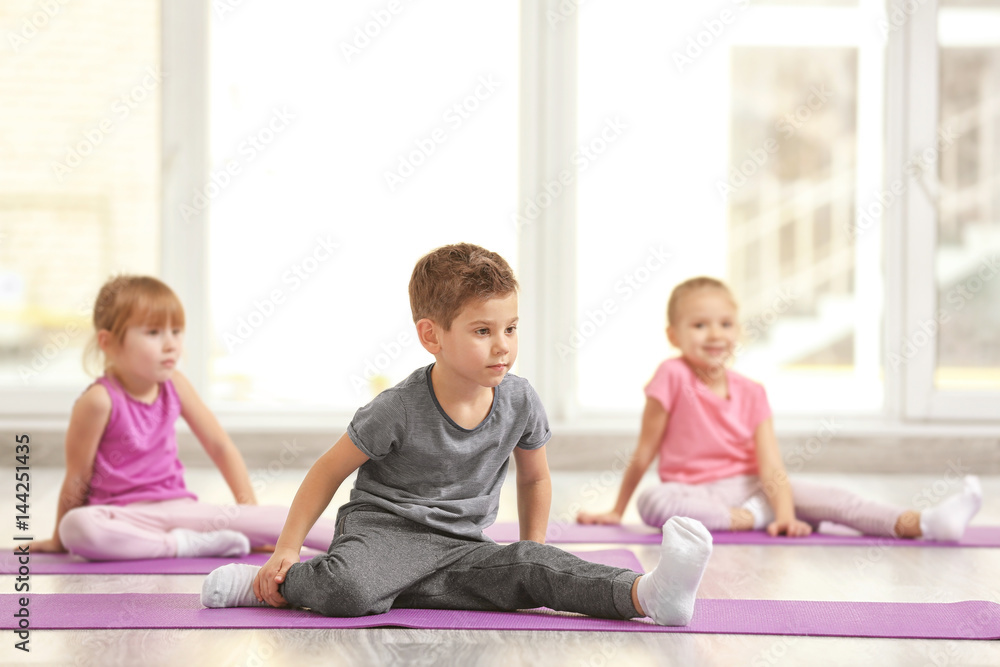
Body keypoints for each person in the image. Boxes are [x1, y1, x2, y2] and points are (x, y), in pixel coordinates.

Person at [202, 243, 713, 626]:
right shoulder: (397, 408)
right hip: (385, 535)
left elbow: (534, 479)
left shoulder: (520, 400)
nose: (503, 347)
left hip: (462, 547)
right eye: (482, 331)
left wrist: (530, 552)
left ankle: (649, 595)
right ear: (432, 336)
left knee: (538, 570)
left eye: (511, 328)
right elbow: (327, 471)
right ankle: (272, 586)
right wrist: (287, 550)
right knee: (352, 591)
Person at [577, 276, 982, 541]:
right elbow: (645, 451)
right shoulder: (671, 375)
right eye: (699, 325)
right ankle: (750, 517)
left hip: (754, 487)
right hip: (693, 492)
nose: (715, 334)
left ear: (738, 330)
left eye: (725, 324)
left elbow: (771, 464)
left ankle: (926, 522)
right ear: (674, 334)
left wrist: (785, 515)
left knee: (840, 501)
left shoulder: (752, 392)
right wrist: (617, 509)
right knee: (655, 503)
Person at [29, 275, 334, 561]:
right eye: (153, 332)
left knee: (279, 516)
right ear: (108, 342)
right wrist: (58, 539)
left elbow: (220, 446)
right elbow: (77, 477)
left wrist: (248, 516)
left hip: (180, 508)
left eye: (176, 331)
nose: (171, 343)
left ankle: (363, 542)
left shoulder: (174, 384)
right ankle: (183, 545)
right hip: (122, 517)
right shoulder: (98, 400)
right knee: (77, 527)